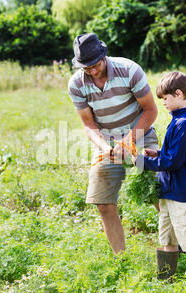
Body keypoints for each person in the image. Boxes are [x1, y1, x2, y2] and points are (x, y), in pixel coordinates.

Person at [68, 33, 159, 255]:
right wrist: (105, 148)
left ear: (103, 56)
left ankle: (178, 247)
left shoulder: (129, 70)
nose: (92, 71)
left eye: (95, 65)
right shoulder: (76, 84)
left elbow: (150, 110)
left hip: (140, 133)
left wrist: (129, 141)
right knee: (103, 203)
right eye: (86, 68)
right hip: (106, 141)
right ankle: (122, 260)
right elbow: (89, 125)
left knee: (160, 192)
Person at [132, 71, 186, 286]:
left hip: (181, 194)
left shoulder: (185, 124)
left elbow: (174, 163)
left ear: (178, 94)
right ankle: (165, 284)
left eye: (166, 99)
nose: (164, 104)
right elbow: (172, 156)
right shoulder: (178, 121)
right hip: (168, 191)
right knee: (167, 238)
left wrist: (141, 162)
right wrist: (157, 154)